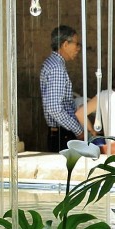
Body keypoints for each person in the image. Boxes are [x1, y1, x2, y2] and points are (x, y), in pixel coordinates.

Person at [40, 24, 85, 152]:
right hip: (63, 134)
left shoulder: (52, 63)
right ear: (65, 45)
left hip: (59, 133)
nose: (78, 49)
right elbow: (54, 108)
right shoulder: (57, 68)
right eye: (77, 44)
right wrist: (78, 130)